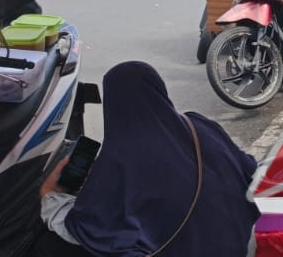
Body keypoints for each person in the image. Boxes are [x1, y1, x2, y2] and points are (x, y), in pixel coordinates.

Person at [38, 61, 260, 256]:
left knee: (56, 243)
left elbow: (87, 228)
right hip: (240, 247)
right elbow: (249, 169)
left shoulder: (120, 161)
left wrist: (50, 195)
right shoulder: (200, 126)